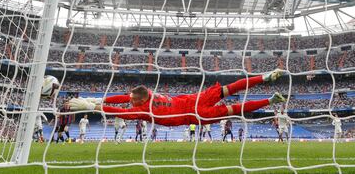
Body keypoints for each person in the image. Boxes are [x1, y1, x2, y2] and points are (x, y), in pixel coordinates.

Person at [69, 70, 286, 126]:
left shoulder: (144, 110)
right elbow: (120, 100)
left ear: (139, 99)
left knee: (234, 108)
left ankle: (269, 100)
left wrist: (96, 106)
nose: (129, 100)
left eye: (132, 99)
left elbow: (121, 111)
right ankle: (263, 78)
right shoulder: (148, 94)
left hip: (194, 113)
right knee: (228, 90)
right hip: (191, 99)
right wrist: (101, 100)